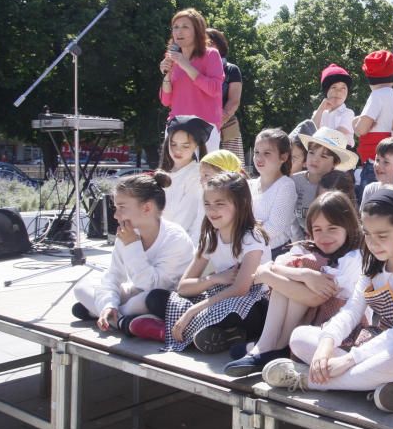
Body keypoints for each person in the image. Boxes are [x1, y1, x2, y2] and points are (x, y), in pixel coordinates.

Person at [264, 186, 393, 414]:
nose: (373, 243)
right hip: (377, 343)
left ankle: (308, 380)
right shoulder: (373, 264)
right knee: (300, 337)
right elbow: (351, 311)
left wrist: (349, 360)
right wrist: (326, 344)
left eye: (382, 236)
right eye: (368, 234)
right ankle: (371, 384)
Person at [223, 191, 363, 377]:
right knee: (299, 271)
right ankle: (269, 345)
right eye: (318, 229)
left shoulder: (354, 257)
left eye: (333, 228)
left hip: (335, 328)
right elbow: (278, 263)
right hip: (308, 319)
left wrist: (269, 274)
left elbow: (315, 297)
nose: (324, 236)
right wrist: (302, 274)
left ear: (349, 227)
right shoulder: (310, 248)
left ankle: (273, 346)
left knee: (301, 272)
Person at [142, 173, 271, 352]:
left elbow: (241, 289)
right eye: (207, 204)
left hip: (251, 303)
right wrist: (215, 279)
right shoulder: (211, 238)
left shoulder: (252, 238)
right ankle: (218, 333)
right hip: (217, 295)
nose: (212, 211)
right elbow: (183, 287)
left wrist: (191, 311)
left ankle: (204, 329)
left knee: (233, 311)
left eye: (220, 204)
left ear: (240, 204)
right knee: (155, 298)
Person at [72, 172, 194, 335]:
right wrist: (109, 304)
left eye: (122, 207)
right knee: (81, 287)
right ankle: (120, 319)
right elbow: (114, 275)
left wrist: (132, 245)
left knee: (143, 301)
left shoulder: (175, 237)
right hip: (135, 290)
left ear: (147, 208)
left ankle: (105, 315)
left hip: (163, 298)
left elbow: (154, 286)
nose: (116, 215)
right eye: (116, 208)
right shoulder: (127, 233)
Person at [159, 8, 223, 153]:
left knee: (203, 174)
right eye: (175, 27)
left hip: (205, 127)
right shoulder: (172, 58)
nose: (178, 32)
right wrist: (167, 75)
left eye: (185, 27)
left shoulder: (211, 55)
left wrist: (186, 65)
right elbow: (165, 101)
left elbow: (214, 89)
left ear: (197, 31)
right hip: (176, 127)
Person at [291, 127, 359, 241]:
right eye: (311, 153)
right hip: (299, 242)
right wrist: (300, 243)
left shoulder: (339, 185)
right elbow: (291, 221)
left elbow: (350, 221)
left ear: (335, 162)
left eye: (323, 156)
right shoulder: (294, 181)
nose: (315, 159)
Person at [353, 50, 393, 199]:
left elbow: (361, 129)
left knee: (369, 204)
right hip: (388, 159)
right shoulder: (392, 94)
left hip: (373, 161)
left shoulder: (377, 95)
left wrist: (354, 123)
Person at [160, 116, 211, 240]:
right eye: (173, 144)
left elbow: (184, 220)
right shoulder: (164, 173)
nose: (177, 150)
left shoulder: (197, 175)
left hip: (180, 244)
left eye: (185, 146)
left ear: (196, 146)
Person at [250, 129, 298, 257]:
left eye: (267, 153)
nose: (259, 158)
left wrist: (246, 230)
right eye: (256, 152)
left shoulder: (286, 186)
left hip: (275, 253)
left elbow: (274, 228)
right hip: (249, 251)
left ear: (283, 157)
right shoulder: (250, 185)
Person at [206, 28, 245, 165]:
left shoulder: (231, 69)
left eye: (210, 42)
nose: (205, 46)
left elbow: (234, 101)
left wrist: (219, 120)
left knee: (233, 166)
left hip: (226, 123)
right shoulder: (195, 69)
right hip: (200, 122)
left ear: (219, 45)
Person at [360, 136, 393, 208]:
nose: (378, 165)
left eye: (386, 162)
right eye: (377, 160)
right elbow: (363, 217)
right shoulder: (371, 190)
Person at [312, 64, 355, 147]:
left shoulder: (348, 113)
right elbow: (310, 131)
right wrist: (320, 110)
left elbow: (338, 135)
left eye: (343, 88)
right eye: (334, 87)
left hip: (341, 153)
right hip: (320, 153)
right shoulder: (318, 113)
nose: (338, 92)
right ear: (326, 91)